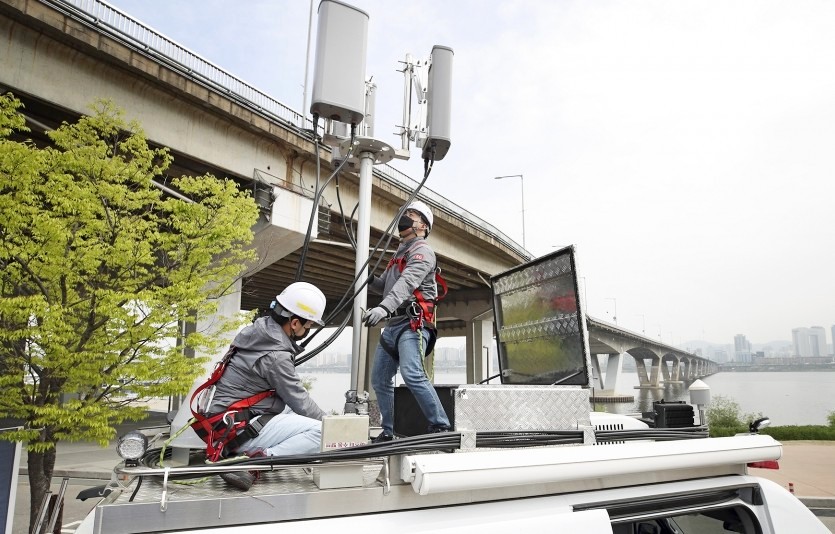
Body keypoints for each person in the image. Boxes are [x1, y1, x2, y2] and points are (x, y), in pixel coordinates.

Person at [207, 281, 327, 489]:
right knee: (322, 432)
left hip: (226, 423)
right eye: (308, 326)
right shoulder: (275, 356)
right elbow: (301, 401)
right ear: (295, 323)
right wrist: (337, 427)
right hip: (236, 431)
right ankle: (255, 462)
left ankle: (255, 453)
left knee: (294, 412)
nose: (307, 330)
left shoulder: (259, 332)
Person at [365, 200, 451, 442]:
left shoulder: (423, 251)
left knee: (412, 373)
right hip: (393, 326)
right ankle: (389, 431)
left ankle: (441, 426)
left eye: (411, 215)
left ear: (423, 225)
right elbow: (386, 284)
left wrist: (382, 308)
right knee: (380, 380)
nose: (404, 217)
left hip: (413, 324)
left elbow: (406, 285)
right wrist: (370, 279)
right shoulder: (398, 253)